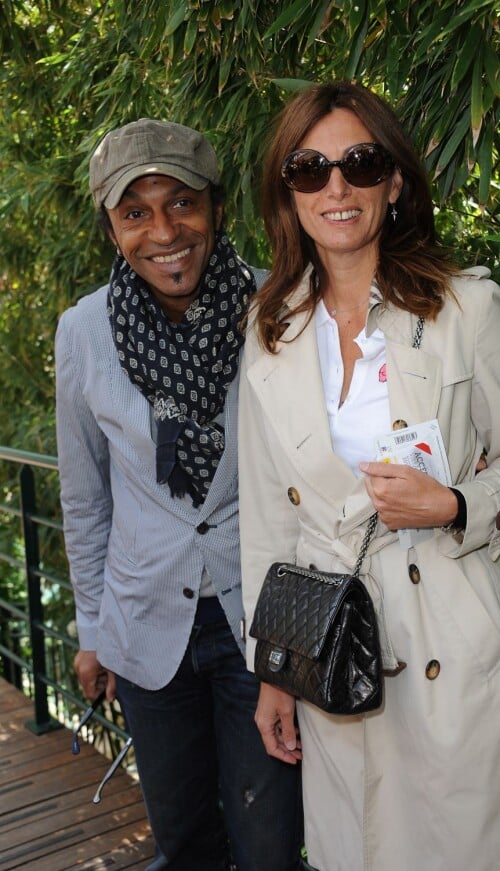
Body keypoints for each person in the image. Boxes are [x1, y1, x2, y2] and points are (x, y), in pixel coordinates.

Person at [238, 82, 500, 871]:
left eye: (360, 162)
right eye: (309, 168)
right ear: (286, 194)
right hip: (336, 650)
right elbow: (267, 521)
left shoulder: (463, 308)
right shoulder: (272, 333)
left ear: (394, 181)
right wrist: (275, 672)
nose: (336, 187)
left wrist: (458, 502)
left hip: (454, 640)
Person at [55, 119, 302, 871]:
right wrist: (91, 627)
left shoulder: (279, 306)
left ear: (215, 209)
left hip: (257, 622)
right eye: (136, 212)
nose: (164, 231)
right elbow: (86, 496)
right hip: (143, 625)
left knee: (268, 844)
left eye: (181, 204)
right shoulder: (83, 331)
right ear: (112, 226)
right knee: (183, 839)